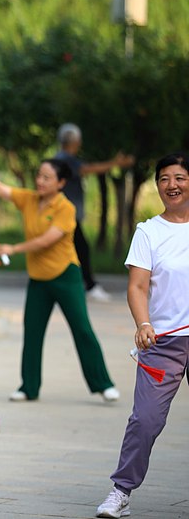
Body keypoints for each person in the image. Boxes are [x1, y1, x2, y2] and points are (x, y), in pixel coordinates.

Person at [0, 159, 119, 403]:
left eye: (47, 177)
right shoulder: (29, 199)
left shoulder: (65, 208)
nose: (40, 181)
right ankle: (29, 387)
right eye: (39, 175)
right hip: (38, 279)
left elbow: (48, 239)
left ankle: (103, 384)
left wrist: (14, 249)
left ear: (61, 183)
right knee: (33, 332)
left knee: (82, 329)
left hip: (65, 275)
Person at [96, 153, 189, 518]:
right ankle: (121, 492)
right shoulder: (148, 231)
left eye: (180, 177)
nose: (172, 185)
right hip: (163, 343)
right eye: (165, 178)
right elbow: (137, 286)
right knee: (146, 420)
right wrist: (144, 323)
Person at [54, 123, 134, 302]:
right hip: (67, 216)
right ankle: (89, 285)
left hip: (64, 215)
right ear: (75, 141)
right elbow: (88, 169)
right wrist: (116, 163)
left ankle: (75, 284)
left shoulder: (60, 158)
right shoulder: (66, 159)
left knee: (70, 249)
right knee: (81, 248)